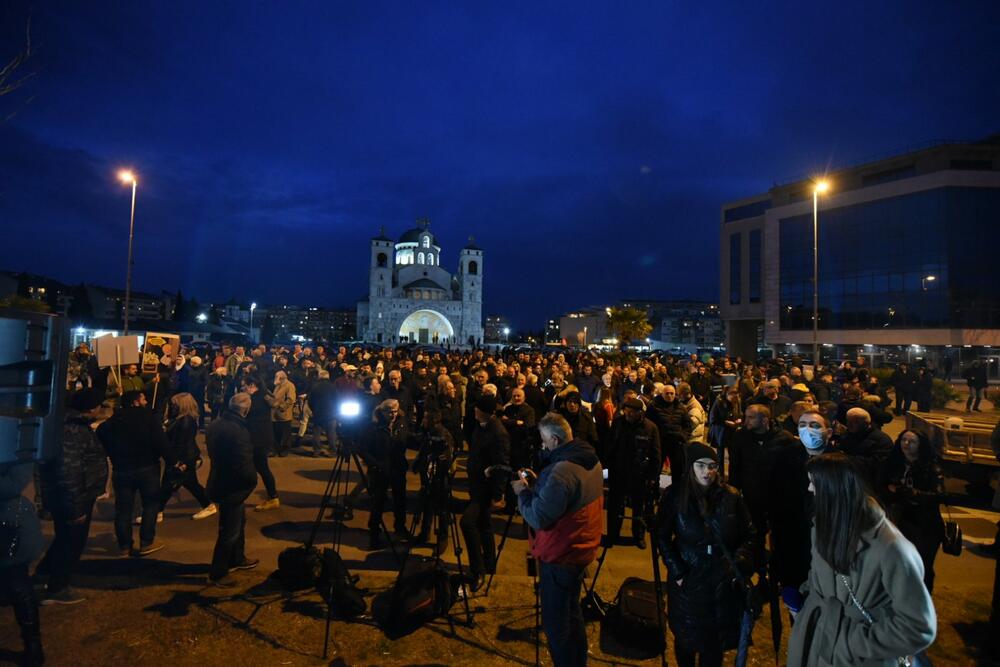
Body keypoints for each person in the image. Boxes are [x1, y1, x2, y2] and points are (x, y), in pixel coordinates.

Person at [787, 453, 936, 666]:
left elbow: (918, 626)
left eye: (814, 483)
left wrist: (853, 644)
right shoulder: (822, 526)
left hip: (858, 658)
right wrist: (806, 598)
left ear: (834, 488)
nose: (810, 489)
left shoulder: (892, 548)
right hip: (816, 643)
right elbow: (819, 576)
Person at [512, 412, 604, 667]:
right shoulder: (589, 459)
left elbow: (539, 517)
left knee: (556, 626)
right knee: (572, 614)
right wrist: (540, 483)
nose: (542, 445)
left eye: (543, 440)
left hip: (560, 554)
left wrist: (523, 493)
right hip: (580, 549)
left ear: (554, 438)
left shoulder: (562, 471)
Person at [657, 442, 758, 667]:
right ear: (691, 467)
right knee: (686, 637)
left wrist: (737, 564)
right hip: (689, 581)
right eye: (701, 465)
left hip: (721, 583)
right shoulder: (676, 496)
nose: (707, 472)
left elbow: (750, 534)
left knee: (713, 644)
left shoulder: (731, 497)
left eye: (712, 466)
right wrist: (678, 571)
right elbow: (662, 535)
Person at [36, 389, 109, 605]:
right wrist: (76, 508)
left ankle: (44, 573)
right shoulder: (72, 431)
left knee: (64, 539)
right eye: (98, 406)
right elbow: (69, 471)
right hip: (73, 499)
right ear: (90, 408)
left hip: (71, 496)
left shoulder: (72, 425)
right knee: (72, 542)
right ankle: (58, 587)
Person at [96, 390, 174, 556]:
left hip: (122, 469)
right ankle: (146, 541)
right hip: (147, 467)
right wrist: (173, 461)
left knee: (123, 509)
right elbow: (161, 442)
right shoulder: (148, 419)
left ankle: (124, 545)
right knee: (151, 505)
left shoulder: (112, 422)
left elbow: (101, 435)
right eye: (143, 398)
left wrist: (112, 452)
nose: (146, 401)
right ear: (136, 401)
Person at [205, 393, 260, 587]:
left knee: (237, 524)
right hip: (232, 486)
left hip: (220, 480)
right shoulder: (238, 431)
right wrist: (251, 482)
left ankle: (237, 558)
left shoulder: (216, 424)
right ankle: (218, 572)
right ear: (246, 409)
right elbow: (243, 463)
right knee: (229, 531)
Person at [881, 429, 944, 593]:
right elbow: (881, 486)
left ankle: (923, 602)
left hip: (925, 525)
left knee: (922, 566)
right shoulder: (893, 463)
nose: (906, 444)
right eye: (903, 440)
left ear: (921, 445)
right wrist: (890, 492)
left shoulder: (931, 467)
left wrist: (912, 493)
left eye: (912, 441)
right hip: (898, 522)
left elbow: (939, 495)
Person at [461, 394, 510, 590]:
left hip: (485, 489)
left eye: (477, 408)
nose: (474, 410)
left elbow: (502, 465)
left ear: (484, 412)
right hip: (476, 485)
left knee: (467, 523)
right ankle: (490, 564)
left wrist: (498, 495)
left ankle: (478, 570)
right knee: (484, 525)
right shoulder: (481, 427)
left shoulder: (498, 433)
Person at [0, 459, 45, 665]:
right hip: (10, 520)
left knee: (18, 581)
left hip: (9, 523)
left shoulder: (14, 439)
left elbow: (16, 482)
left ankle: (33, 646)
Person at [606, 397, 661, 548]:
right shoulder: (618, 424)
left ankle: (638, 536)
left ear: (639, 413)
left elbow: (656, 454)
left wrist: (653, 476)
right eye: (626, 411)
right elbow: (610, 446)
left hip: (640, 474)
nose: (628, 415)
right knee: (615, 506)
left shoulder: (650, 428)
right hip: (619, 472)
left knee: (639, 507)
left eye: (631, 412)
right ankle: (612, 534)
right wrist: (609, 467)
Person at [360, 399, 410, 549]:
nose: (393, 415)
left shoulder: (401, 424)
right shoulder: (373, 427)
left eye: (395, 412)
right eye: (389, 412)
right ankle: (374, 534)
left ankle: (400, 528)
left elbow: (407, 439)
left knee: (400, 501)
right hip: (379, 471)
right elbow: (362, 448)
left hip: (398, 469)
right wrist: (375, 464)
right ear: (382, 412)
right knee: (378, 503)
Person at [158, 392, 216, 520]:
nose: (172, 407)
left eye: (174, 405)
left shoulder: (185, 421)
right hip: (185, 456)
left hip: (183, 457)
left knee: (172, 484)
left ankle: (157, 511)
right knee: (185, 483)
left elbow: (180, 442)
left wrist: (177, 461)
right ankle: (158, 511)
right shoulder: (182, 419)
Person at [242, 375, 279, 511]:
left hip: (258, 439)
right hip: (263, 437)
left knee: (260, 468)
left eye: (244, 385)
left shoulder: (255, 399)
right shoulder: (263, 395)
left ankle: (273, 497)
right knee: (261, 468)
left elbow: (249, 417)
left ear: (252, 385)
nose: (243, 388)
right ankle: (272, 496)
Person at [271, 370, 296, 456]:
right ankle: (276, 449)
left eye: (276, 377)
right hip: (275, 415)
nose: (274, 378)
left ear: (281, 378)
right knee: (277, 433)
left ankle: (285, 449)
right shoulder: (278, 385)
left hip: (284, 415)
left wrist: (282, 407)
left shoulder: (289, 385)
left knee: (285, 434)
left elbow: (291, 399)